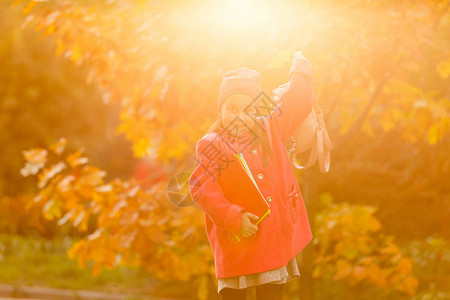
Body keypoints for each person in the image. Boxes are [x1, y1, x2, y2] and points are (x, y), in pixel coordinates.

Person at [189, 50, 314, 300]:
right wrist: (234, 218)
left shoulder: (269, 130)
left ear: (256, 110)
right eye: (231, 108)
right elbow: (202, 187)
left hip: (271, 243)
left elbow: (295, 104)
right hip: (238, 247)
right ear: (220, 110)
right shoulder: (213, 145)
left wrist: (300, 71)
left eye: (247, 110)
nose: (239, 116)